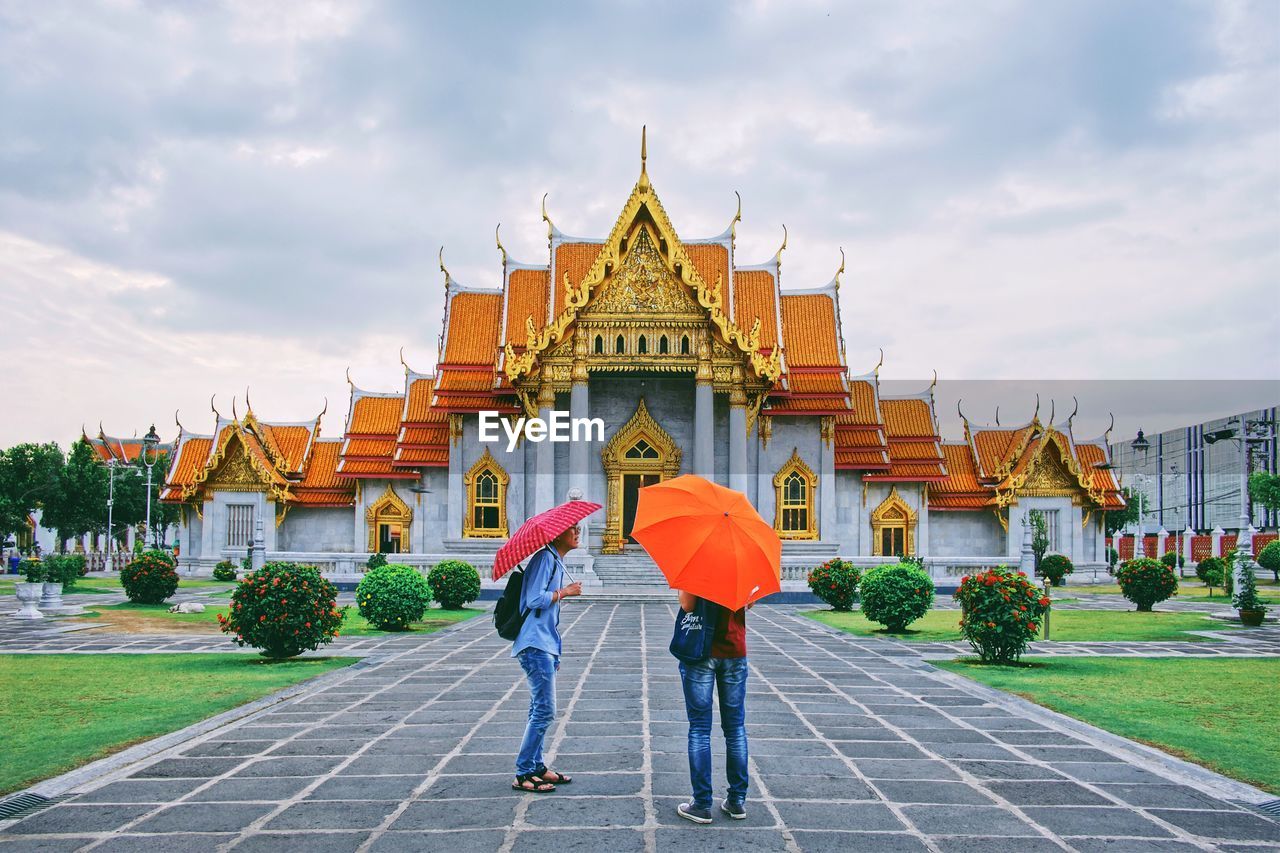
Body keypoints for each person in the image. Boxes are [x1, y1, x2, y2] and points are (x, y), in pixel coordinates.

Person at [510, 523, 583, 793]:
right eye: (572, 530)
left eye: (578, 529)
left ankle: (536, 766)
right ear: (557, 533)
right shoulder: (545, 559)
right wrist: (565, 592)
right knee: (544, 710)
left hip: (544, 644)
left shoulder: (554, 559)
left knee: (537, 708)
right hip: (534, 644)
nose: (577, 534)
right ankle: (523, 772)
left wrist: (555, 651)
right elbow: (534, 600)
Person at [676, 591, 750, 824]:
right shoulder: (742, 561)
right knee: (735, 729)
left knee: (699, 729)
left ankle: (701, 803)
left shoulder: (699, 563)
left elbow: (688, 605)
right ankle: (737, 801)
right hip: (734, 649)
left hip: (701, 650)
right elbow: (750, 604)